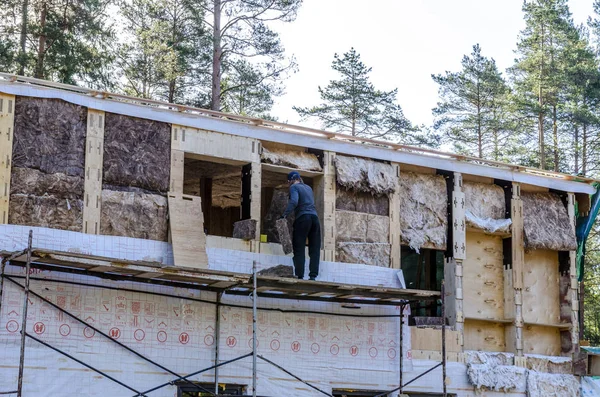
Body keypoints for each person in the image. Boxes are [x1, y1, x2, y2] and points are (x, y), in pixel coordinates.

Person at [280, 171, 321, 280]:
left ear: (291, 180)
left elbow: (294, 201)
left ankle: (300, 275)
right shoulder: (308, 188)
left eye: (288, 182)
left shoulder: (294, 187)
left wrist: (284, 215)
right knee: (315, 248)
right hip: (315, 219)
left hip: (303, 218)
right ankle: (313, 276)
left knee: (299, 247)